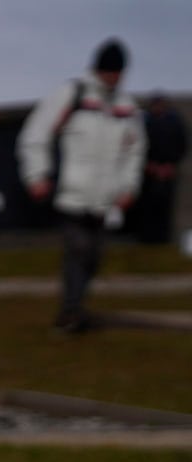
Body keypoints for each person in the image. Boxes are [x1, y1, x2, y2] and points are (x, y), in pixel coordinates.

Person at [17, 38, 147, 333]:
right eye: (110, 71)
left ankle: (75, 307)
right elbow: (36, 135)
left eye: (119, 72)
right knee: (78, 249)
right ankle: (71, 314)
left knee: (94, 257)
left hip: (105, 200)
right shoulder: (72, 95)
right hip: (72, 194)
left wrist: (129, 187)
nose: (115, 77)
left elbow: (134, 152)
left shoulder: (127, 109)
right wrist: (36, 175)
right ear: (100, 69)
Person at [133, 94, 187, 244]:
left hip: (168, 172)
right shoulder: (144, 122)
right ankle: (145, 240)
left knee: (165, 209)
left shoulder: (175, 123)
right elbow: (138, 147)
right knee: (146, 209)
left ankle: (163, 240)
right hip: (147, 172)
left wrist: (170, 165)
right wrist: (149, 165)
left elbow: (181, 145)